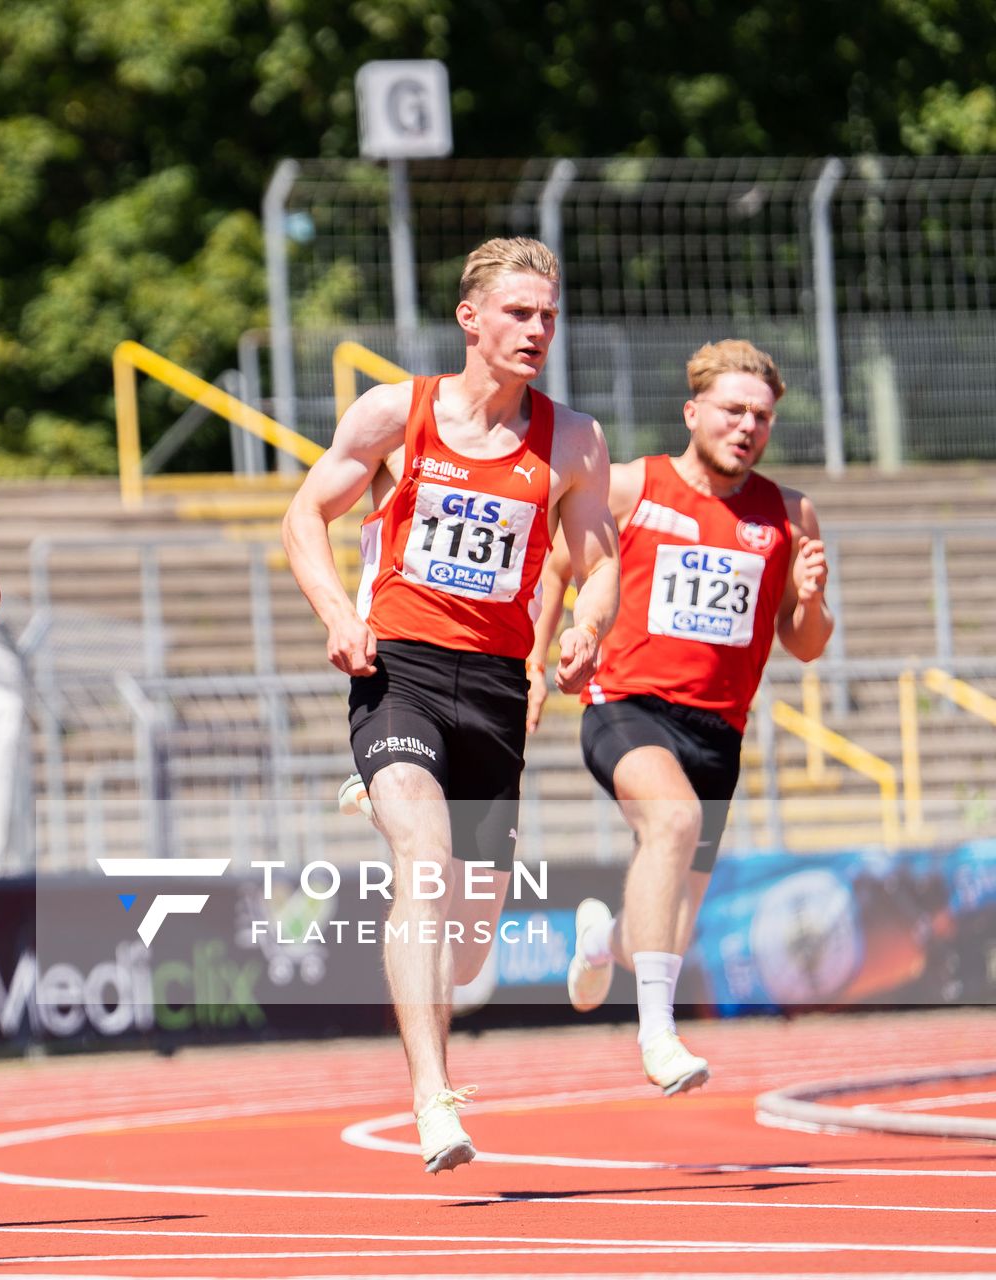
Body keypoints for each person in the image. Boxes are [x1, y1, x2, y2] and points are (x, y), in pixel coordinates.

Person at [282, 236, 619, 1175]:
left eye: (548, 315)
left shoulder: (575, 439)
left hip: (499, 692)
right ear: (471, 318)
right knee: (422, 861)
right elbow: (304, 515)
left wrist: (585, 629)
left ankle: (403, 805)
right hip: (401, 673)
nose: (537, 330)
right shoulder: (399, 412)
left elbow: (599, 569)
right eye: (519, 313)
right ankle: (434, 1098)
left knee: (469, 954)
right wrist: (338, 615)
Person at [530, 338, 831, 1095]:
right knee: (669, 821)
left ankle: (602, 939)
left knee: (657, 933)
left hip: (717, 735)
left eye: (760, 417)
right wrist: (538, 661)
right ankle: (659, 1036)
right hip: (625, 706)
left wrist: (813, 597)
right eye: (732, 411)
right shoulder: (634, 487)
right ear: (693, 412)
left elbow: (805, 644)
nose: (746, 427)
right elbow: (563, 562)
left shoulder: (790, 513)